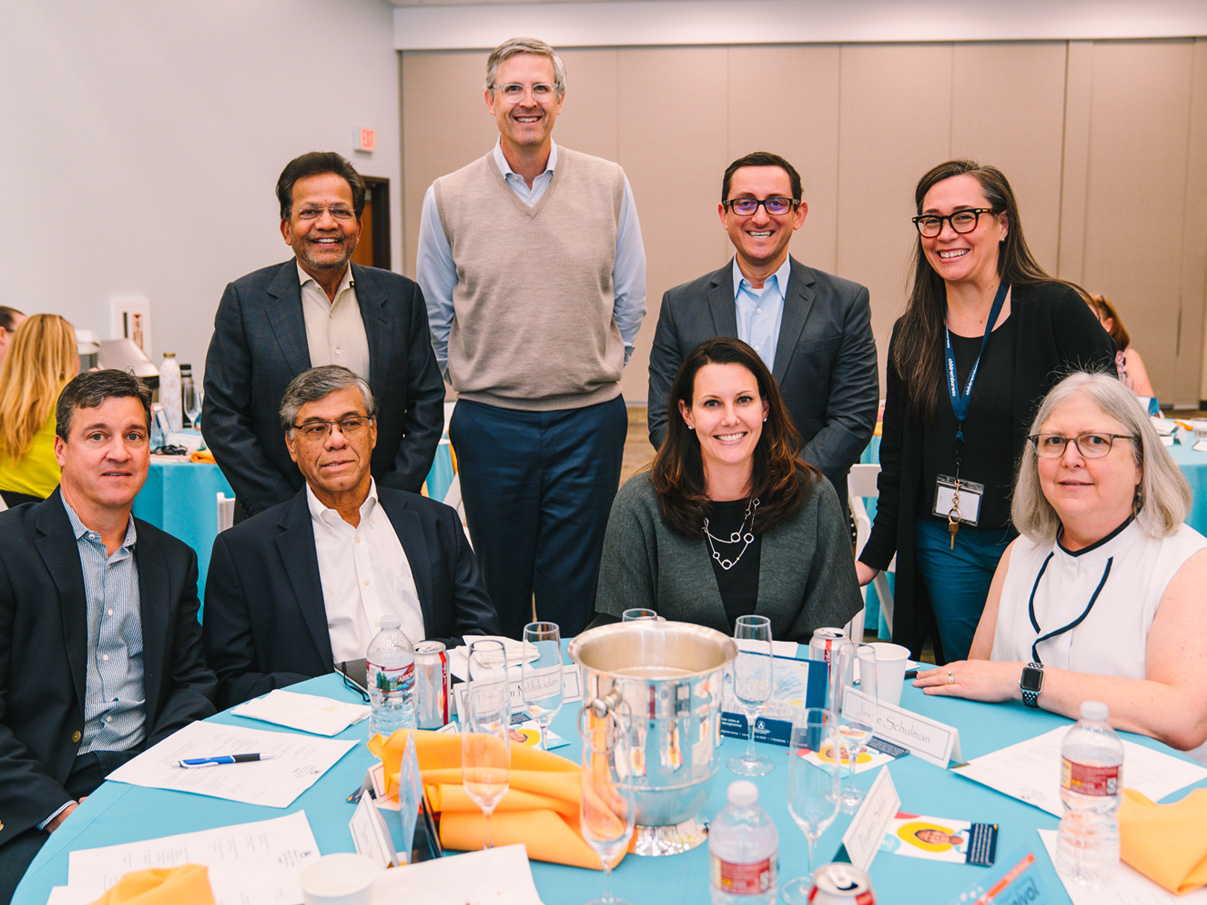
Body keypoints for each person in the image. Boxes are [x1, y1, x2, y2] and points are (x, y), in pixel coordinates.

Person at [416, 37, 646, 639]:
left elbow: (630, 299)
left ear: (560, 100)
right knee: (497, 586)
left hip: (588, 422)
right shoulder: (447, 196)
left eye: (540, 87)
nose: (527, 101)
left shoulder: (608, 183)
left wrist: (593, 363)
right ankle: (503, 721)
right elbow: (436, 314)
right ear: (490, 99)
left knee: (579, 585)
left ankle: (573, 712)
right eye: (513, 88)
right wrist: (477, 373)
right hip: (491, 423)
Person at [855, 160, 1116, 664]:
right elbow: (899, 455)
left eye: (964, 217)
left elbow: (1109, 428)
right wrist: (875, 551)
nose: (945, 234)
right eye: (931, 220)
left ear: (1003, 225)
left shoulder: (1057, 313)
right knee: (967, 675)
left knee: (1047, 673)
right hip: (946, 546)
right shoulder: (914, 330)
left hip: (1043, 538)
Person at [0, 370, 216, 900]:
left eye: (134, 436)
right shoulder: (8, 550)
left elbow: (194, 681)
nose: (119, 452)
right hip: (38, 789)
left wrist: (157, 776)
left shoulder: (173, 559)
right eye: (97, 436)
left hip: (145, 773)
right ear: (60, 449)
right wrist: (58, 810)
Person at [915, 372, 1207, 762]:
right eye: (1053, 442)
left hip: (1133, 794)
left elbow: (1184, 718)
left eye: (1095, 441)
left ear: (1140, 465)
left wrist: (1025, 680)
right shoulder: (1021, 552)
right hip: (1008, 768)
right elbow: (974, 679)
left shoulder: (1185, 563)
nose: (1070, 459)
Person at [203, 366, 498, 708]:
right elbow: (230, 682)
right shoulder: (244, 551)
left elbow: (482, 638)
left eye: (350, 423)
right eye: (316, 429)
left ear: (372, 432)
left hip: (435, 715)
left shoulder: (434, 523)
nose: (336, 440)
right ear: (291, 445)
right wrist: (335, 694)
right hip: (317, 734)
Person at [203, 151, 444, 520]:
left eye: (341, 211)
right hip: (279, 518)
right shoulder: (245, 301)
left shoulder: (400, 298)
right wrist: (289, 509)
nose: (326, 223)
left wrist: (392, 496)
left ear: (358, 227)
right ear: (286, 229)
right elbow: (222, 418)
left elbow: (426, 405)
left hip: (383, 515)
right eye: (310, 212)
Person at [647, 151, 878, 522]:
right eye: (744, 203)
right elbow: (665, 415)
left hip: (809, 507)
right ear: (724, 215)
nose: (760, 216)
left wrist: (788, 486)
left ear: (798, 214)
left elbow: (854, 416)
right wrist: (715, 482)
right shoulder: (680, 305)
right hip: (705, 508)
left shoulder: (844, 302)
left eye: (775, 203)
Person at [594, 337, 861, 642]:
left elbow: (825, 635)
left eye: (744, 400)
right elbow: (624, 634)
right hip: (676, 686)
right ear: (687, 414)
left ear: (765, 407)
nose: (730, 418)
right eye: (712, 403)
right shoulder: (639, 505)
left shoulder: (814, 497)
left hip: (790, 685)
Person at [0, 314, 78, 508]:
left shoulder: (5, 396)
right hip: (52, 511)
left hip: (6, 510)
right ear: (68, 353)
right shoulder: (74, 398)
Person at [1088, 293, 1155, 398]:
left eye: (1091, 321)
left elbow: (1148, 405)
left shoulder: (1127, 358)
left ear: (1109, 325)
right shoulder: (1071, 356)